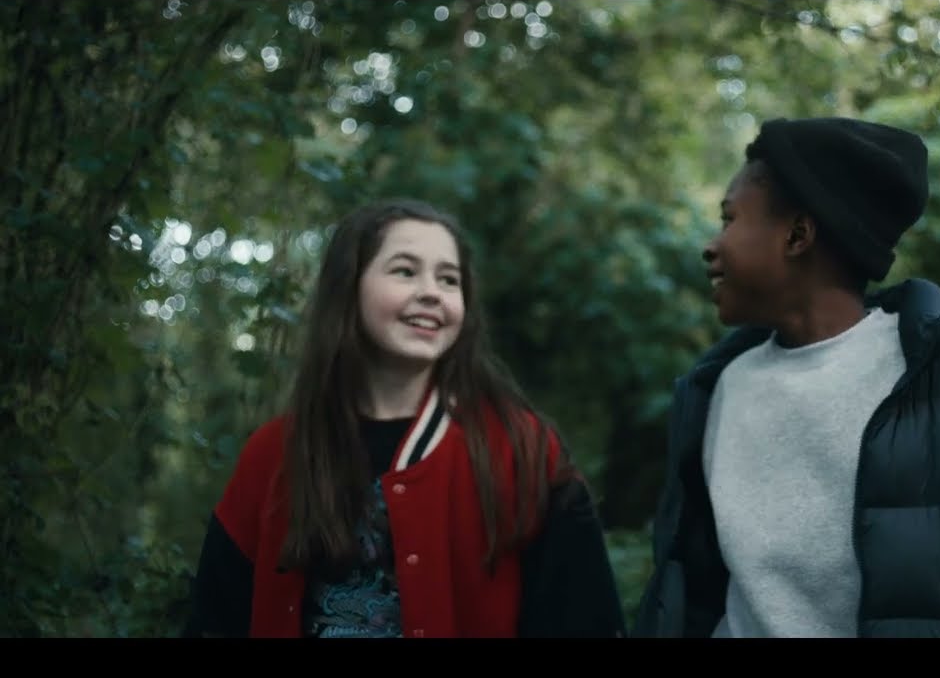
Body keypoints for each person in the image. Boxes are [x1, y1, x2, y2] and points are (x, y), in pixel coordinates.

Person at [632, 117, 940, 638]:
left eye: (730, 218)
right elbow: (689, 595)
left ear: (798, 235)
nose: (711, 246)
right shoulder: (715, 390)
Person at [184, 199, 626, 638]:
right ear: (349, 287)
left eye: (449, 279)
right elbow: (216, 619)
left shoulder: (522, 450)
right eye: (405, 271)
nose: (432, 292)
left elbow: (587, 621)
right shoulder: (274, 453)